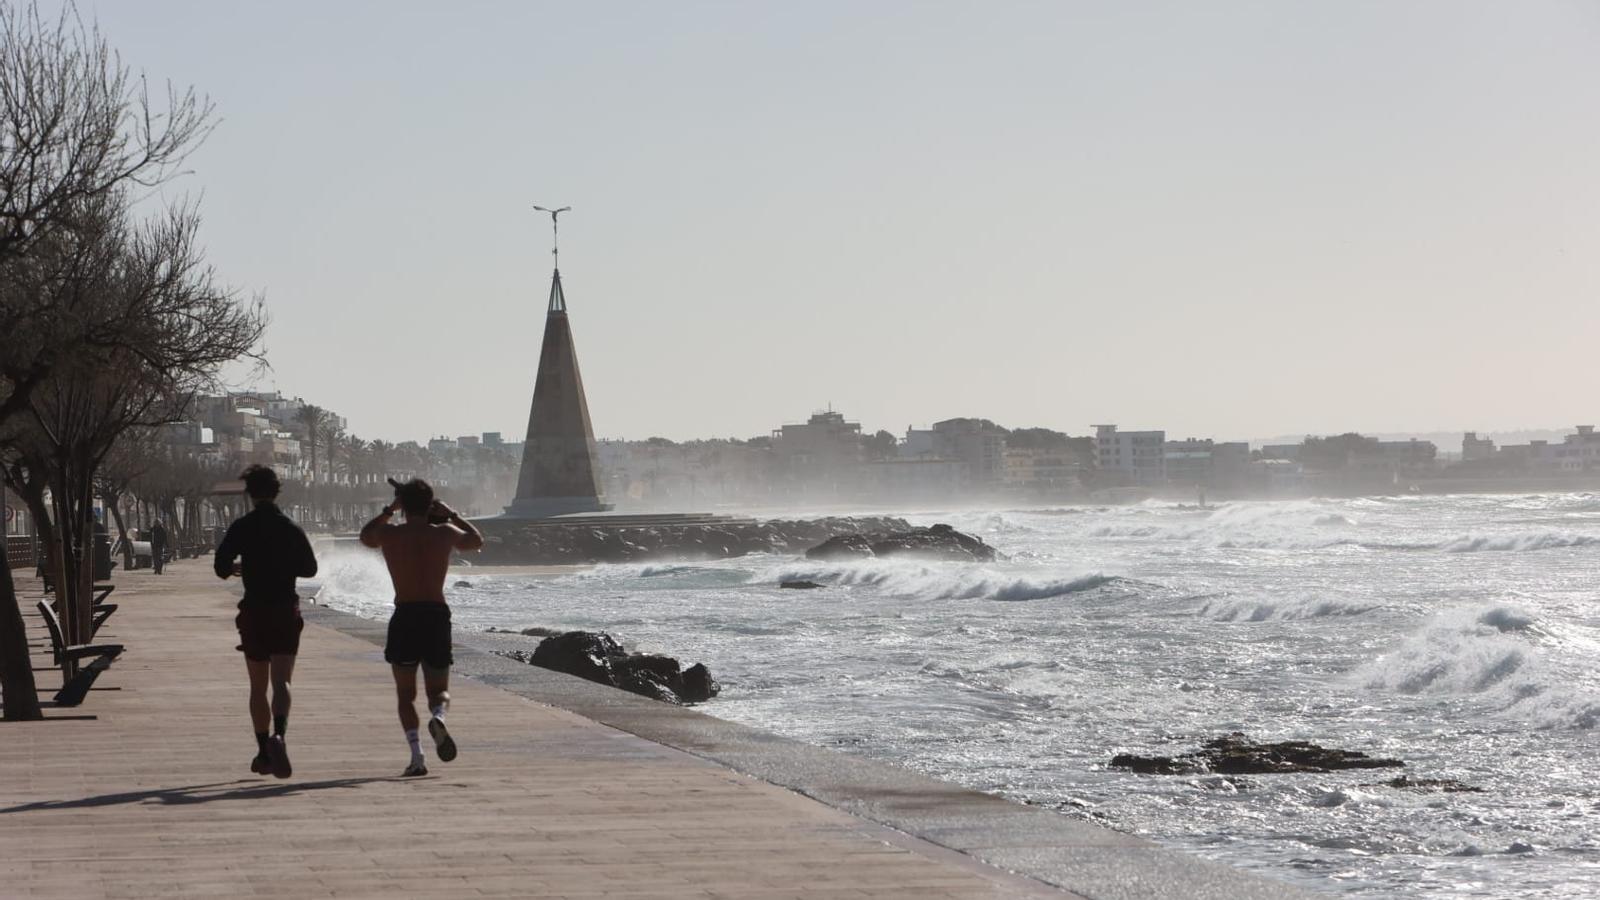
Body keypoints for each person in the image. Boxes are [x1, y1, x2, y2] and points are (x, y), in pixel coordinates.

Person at [359, 478, 483, 776]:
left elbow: (365, 537)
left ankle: (417, 756)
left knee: (405, 694)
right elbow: (477, 540)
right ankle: (439, 716)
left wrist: (390, 509)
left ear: (403, 506)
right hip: (436, 615)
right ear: (430, 505)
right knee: (439, 691)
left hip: (405, 616)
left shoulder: (389, 534)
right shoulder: (445, 533)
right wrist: (451, 513)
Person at [214, 465, 318, 779]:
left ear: (250, 493)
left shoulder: (242, 526)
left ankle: (262, 750)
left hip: (255, 612)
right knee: (282, 681)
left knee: (257, 686)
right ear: (276, 492)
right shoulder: (290, 527)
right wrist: (283, 565)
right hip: (285, 610)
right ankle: (280, 735)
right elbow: (310, 569)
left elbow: (220, 566)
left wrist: (238, 568)